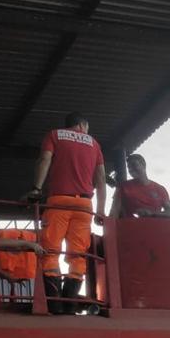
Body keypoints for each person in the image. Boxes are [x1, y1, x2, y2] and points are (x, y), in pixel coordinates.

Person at [29, 113, 106, 314]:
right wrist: (100, 210)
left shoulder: (54, 135)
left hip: (59, 201)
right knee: (78, 254)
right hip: (84, 205)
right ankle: (70, 304)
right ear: (82, 124)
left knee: (50, 249)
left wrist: (37, 188)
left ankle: (55, 304)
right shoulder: (94, 144)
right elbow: (101, 179)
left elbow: (44, 159)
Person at [111, 153, 170, 219]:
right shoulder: (123, 187)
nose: (131, 169)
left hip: (156, 228)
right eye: (129, 167)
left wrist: (152, 214)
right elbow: (114, 212)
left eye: (134, 165)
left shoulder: (160, 189)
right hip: (130, 228)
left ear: (143, 165)